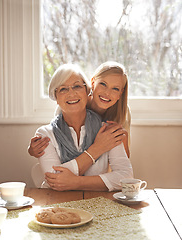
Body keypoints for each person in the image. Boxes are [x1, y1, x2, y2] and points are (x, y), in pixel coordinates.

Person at [32, 63, 133, 191]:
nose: (71, 94)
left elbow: (125, 174)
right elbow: (54, 179)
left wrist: (77, 182)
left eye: (77, 86)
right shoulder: (47, 132)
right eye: (63, 89)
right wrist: (97, 149)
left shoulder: (112, 126)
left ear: (86, 91)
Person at [28, 61, 131, 158]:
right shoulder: (74, 103)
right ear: (93, 82)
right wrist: (33, 150)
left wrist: (124, 141)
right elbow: (57, 137)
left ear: (120, 93)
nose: (107, 93)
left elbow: (123, 163)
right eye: (103, 84)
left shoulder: (122, 113)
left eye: (115, 89)